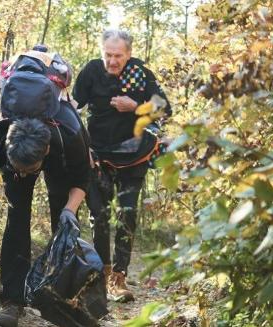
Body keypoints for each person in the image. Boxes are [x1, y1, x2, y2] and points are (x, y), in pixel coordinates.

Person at [0, 110, 91, 326]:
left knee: (64, 225)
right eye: (20, 168)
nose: (25, 173)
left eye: (30, 169)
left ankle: (68, 298)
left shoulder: (69, 139)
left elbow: (82, 180)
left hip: (59, 163)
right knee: (16, 218)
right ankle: (12, 302)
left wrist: (69, 211)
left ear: (46, 150)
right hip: (17, 161)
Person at [72, 29, 172, 302]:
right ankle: (103, 276)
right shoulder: (92, 71)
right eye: (108, 54)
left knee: (127, 214)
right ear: (101, 51)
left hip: (134, 156)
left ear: (128, 54)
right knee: (100, 216)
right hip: (99, 156)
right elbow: (73, 106)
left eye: (118, 56)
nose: (112, 61)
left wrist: (137, 106)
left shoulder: (140, 73)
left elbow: (165, 108)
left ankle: (120, 278)